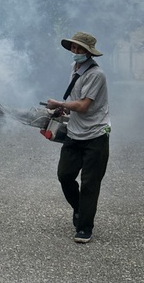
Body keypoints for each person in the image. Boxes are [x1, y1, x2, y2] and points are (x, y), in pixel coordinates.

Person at [44, 31, 110, 244]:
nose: (75, 51)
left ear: (89, 52)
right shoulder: (75, 70)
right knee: (64, 175)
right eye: (74, 47)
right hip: (74, 132)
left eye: (80, 48)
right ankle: (81, 209)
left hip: (96, 134)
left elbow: (83, 105)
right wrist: (64, 111)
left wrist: (60, 104)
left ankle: (84, 227)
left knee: (90, 183)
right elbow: (75, 103)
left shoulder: (96, 74)